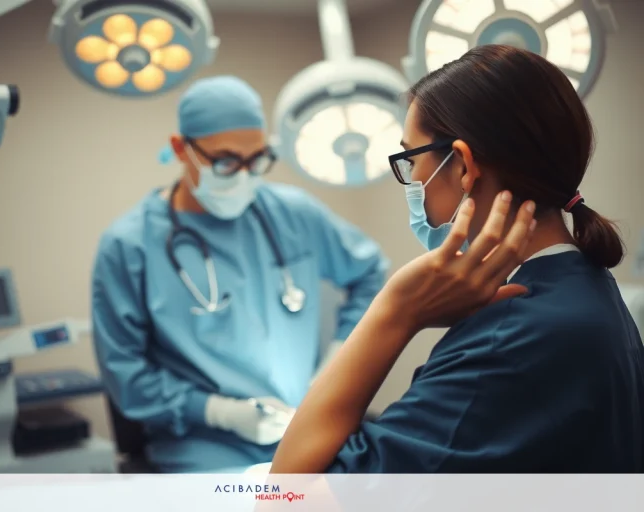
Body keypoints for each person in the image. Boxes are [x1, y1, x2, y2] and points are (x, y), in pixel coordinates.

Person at [269, 45, 644, 473]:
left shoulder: (513, 339)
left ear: (463, 165)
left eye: (411, 160)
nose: (412, 180)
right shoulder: (585, 286)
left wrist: (395, 312)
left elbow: (287, 495)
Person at [91, 75, 390, 473]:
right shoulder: (130, 246)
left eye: (257, 159)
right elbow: (127, 376)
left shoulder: (292, 214)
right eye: (226, 161)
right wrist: (219, 413)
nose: (245, 175)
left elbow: (371, 273)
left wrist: (337, 360)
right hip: (206, 446)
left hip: (307, 425)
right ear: (181, 149)